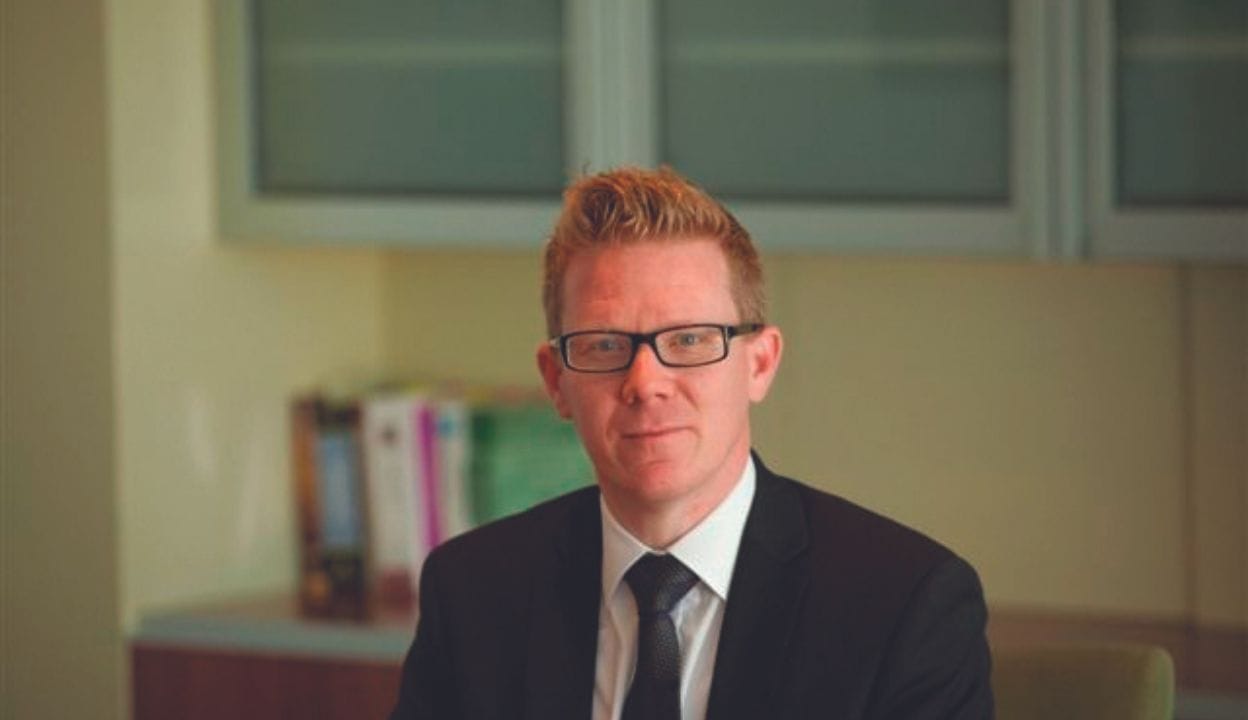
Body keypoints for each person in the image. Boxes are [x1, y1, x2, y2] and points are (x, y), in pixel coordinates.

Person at [390, 167, 993, 720]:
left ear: (760, 363)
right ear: (556, 381)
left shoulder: (903, 605)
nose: (645, 383)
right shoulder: (472, 591)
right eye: (604, 345)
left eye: (689, 340)